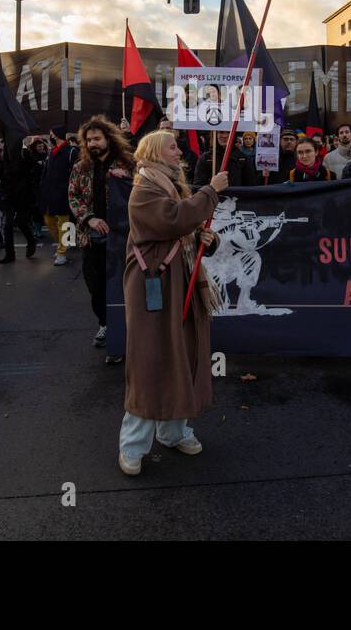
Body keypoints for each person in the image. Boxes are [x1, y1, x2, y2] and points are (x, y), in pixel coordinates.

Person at [117, 128, 228, 476]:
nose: (179, 153)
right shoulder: (143, 191)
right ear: (152, 152)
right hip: (154, 283)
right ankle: (132, 446)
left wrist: (207, 239)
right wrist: (211, 191)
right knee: (151, 360)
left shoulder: (172, 186)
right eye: (172, 147)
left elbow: (187, 229)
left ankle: (173, 431)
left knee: (183, 353)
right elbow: (174, 220)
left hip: (180, 281)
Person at [69, 115, 136, 355]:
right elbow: (73, 196)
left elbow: (143, 192)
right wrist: (89, 218)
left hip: (123, 237)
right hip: (92, 238)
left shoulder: (128, 164)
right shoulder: (81, 166)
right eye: (88, 140)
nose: (92, 144)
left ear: (109, 138)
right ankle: (105, 324)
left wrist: (128, 180)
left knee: (122, 286)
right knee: (95, 286)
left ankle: (125, 328)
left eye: (97, 138)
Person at [0, 137, 40, 263]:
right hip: (8, 194)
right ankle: (9, 253)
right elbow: (0, 171)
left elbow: (36, 168)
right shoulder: (3, 155)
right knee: (7, 224)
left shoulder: (24, 153)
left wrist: (26, 182)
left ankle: (31, 241)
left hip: (23, 195)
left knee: (20, 221)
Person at [39, 129, 78, 266]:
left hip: (64, 193)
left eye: (51, 133)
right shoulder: (52, 151)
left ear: (57, 134)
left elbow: (76, 172)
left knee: (64, 223)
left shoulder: (72, 151)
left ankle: (62, 252)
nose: (50, 136)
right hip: (49, 192)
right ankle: (64, 244)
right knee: (48, 220)